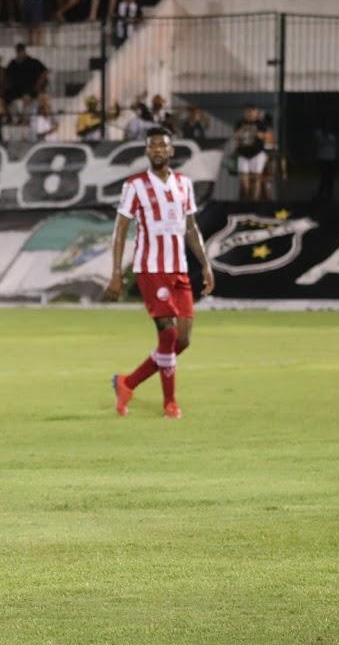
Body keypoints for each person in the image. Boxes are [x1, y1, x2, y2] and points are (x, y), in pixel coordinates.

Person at [104, 127, 215, 419]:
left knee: (184, 339)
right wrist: (116, 273)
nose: (157, 150)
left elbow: (191, 227)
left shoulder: (184, 184)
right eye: (152, 146)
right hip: (151, 269)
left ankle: (127, 382)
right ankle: (170, 403)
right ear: (146, 151)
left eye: (162, 146)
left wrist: (204, 264)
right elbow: (120, 230)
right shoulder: (135, 186)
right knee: (167, 334)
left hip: (179, 268)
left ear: (171, 150)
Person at [234, 105, 270, 201]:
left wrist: (254, 131)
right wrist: (242, 130)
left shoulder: (260, 123)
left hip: (257, 153)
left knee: (256, 178)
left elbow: (266, 137)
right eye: (247, 112)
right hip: (243, 153)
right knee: (244, 178)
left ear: (256, 112)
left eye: (252, 111)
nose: (249, 114)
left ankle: (254, 200)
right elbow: (236, 136)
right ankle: (246, 198)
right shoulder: (240, 123)